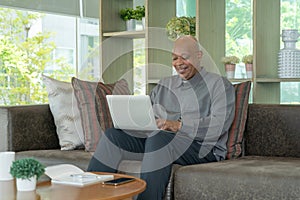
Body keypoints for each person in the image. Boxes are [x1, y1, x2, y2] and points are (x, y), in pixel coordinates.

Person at [87, 35, 235, 200]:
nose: (179, 63)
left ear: (199, 55)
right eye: (174, 58)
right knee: (113, 136)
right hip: (158, 141)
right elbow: (147, 114)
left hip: (201, 148)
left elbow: (218, 125)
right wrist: (133, 122)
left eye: (185, 57)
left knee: (159, 139)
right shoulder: (165, 84)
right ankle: (90, 196)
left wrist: (178, 125)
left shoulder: (219, 85)